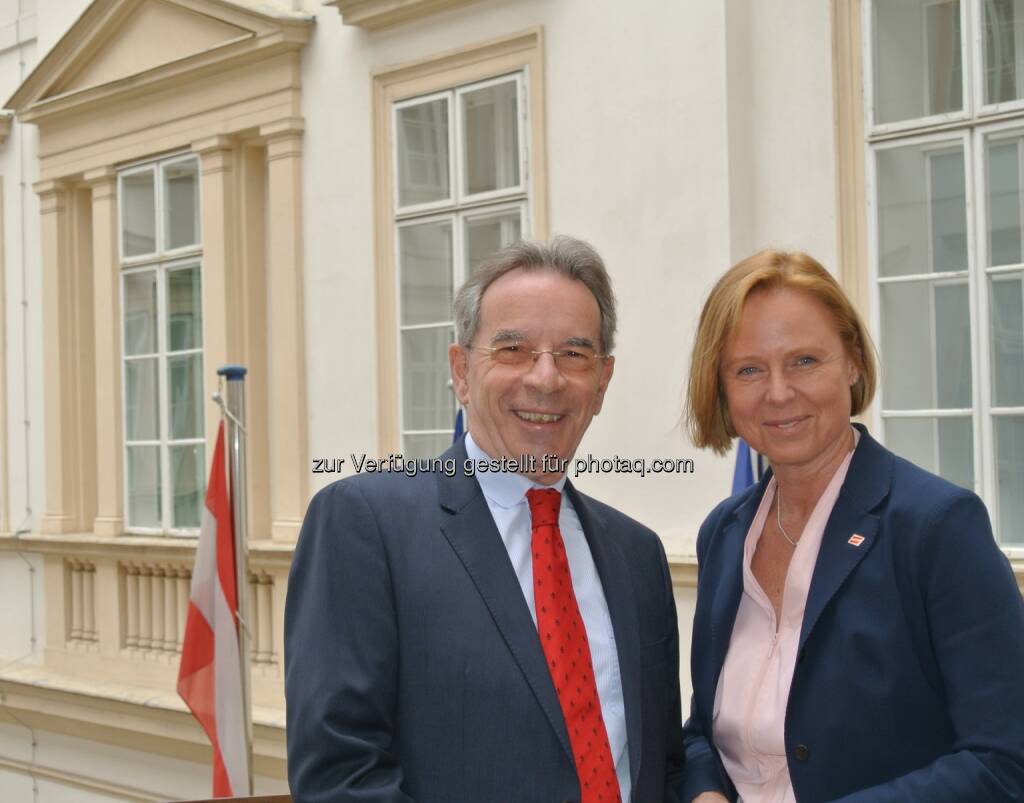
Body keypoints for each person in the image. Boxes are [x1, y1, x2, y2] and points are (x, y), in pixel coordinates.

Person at [286, 236, 685, 802]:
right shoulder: (365, 525)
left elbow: (661, 766)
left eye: (573, 354)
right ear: (461, 371)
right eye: (514, 350)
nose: (545, 379)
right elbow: (342, 777)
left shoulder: (637, 554)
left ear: (602, 382)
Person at [680, 249, 1024, 803]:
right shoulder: (724, 533)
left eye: (804, 361)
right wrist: (705, 795)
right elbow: (703, 731)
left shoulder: (937, 528)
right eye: (748, 369)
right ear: (720, 387)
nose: (778, 392)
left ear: (854, 362)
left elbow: (1004, 761)